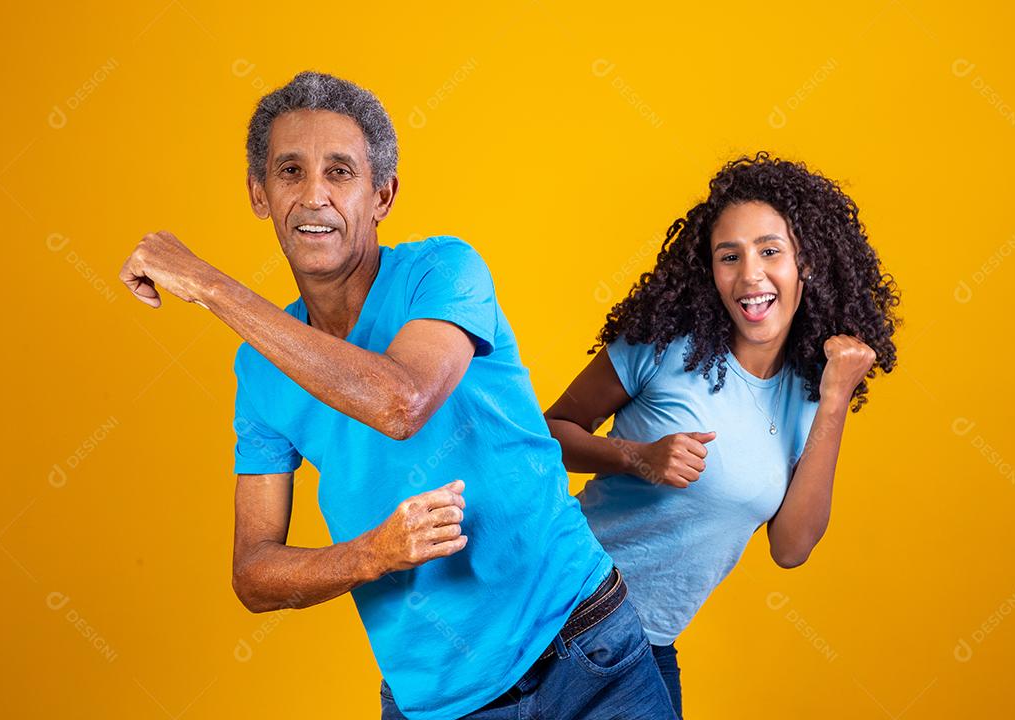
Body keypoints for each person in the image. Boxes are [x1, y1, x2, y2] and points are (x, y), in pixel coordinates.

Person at [118, 71, 677, 720]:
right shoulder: (260, 368)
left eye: (341, 172)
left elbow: (400, 404)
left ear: (382, 195)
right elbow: (253, 572)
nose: (314, 196)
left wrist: (211, 287)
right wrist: (372, 554)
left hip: (585, 654)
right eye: (290, 172)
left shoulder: (444, 270)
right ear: (259, 194)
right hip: (436, 704)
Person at [544, 153, 900, 717]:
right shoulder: (661, 346)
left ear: (807, 262)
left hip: (644, 641)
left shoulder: (813, 393)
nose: (750, 275)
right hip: (555, 603)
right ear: (709, 271)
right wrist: (635, 457)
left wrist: (835, 399)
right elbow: (551, 434)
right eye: (728, 256)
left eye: (770, 251)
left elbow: (791, 547)